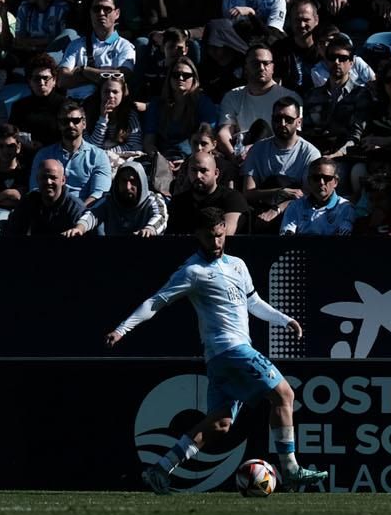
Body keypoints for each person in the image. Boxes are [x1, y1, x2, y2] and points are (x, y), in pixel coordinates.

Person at [107, 211, 328, 493]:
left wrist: (284, 319)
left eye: (220, 234)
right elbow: (156, 302)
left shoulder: (237, 265)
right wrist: (122, 329)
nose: (215, 241)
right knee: (284, 393)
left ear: (225, 230)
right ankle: (291, 469)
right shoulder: (192, 271)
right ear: (198, 235)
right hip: (231, 350)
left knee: (220, 424)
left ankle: (160, 469)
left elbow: (254, 302)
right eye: (209, 236)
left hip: (220, 361)